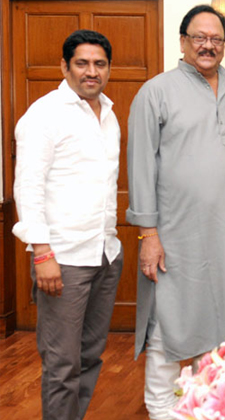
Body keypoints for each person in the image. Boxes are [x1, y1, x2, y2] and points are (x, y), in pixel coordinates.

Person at [126, 5, 225, 419]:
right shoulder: (156, 92)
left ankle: (206, 408)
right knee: (170, 323)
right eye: (199, 37)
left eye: (216, 39)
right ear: (183, 41)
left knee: (221, 325)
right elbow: (140, 167)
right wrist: (148, 235)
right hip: (175, 235)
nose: (208, 45)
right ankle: (161, 409)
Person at [12, 30, 123, 419]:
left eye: (99, 64)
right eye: (82, 63)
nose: (92, 72)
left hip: (105, 254)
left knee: (90, 356)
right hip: (63, 259)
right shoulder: (44, 115)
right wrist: (42, 253)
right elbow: (28, 186)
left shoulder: (109, 115)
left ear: (108, 68)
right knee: (62, 364)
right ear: (65, 66)